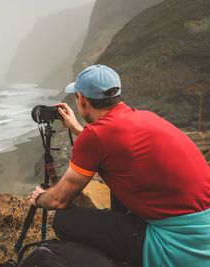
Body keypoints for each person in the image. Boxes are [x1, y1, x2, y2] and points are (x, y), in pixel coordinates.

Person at [30, 64, 210, 267]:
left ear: (81, 99)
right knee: (117, 181)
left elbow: (58, 201)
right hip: (204, 237)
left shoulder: (95, 137)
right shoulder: (147, 117)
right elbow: (114, 146)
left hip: (175, 245)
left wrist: (39, 199)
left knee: (64, 219)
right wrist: (80, 130)